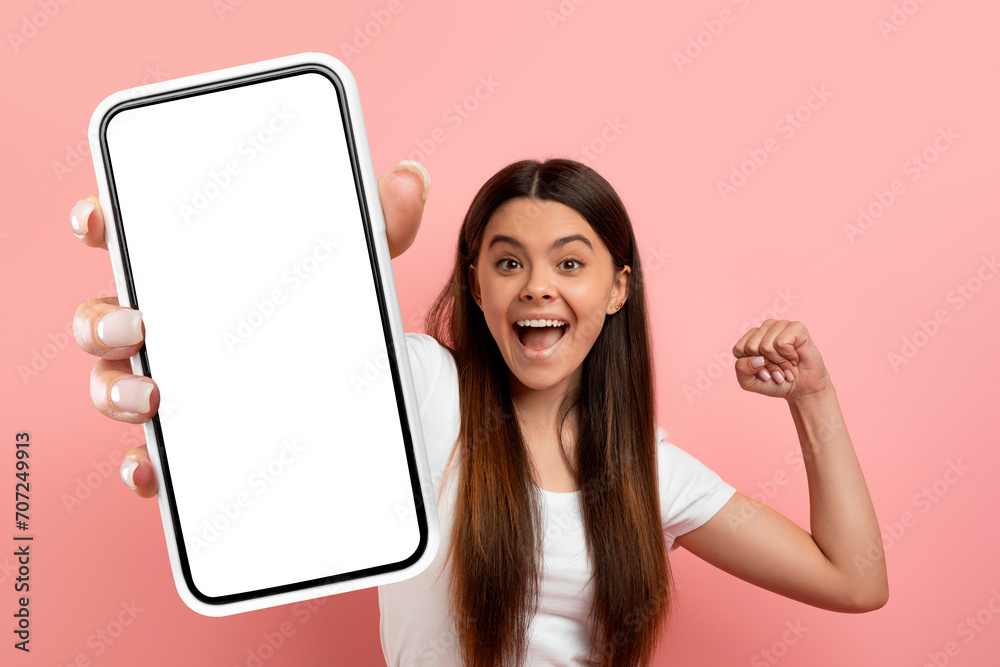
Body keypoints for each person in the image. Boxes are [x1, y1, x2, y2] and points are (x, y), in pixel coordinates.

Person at [71, 157, 888, 667]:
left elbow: (853, 582)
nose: (537, 284)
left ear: (617, 289)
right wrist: (166, 281)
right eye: (508, 261)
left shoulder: (647, 470)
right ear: (475, 284)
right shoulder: (422, 387)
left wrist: (814, 398)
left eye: (571, 261)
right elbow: (272, 344)